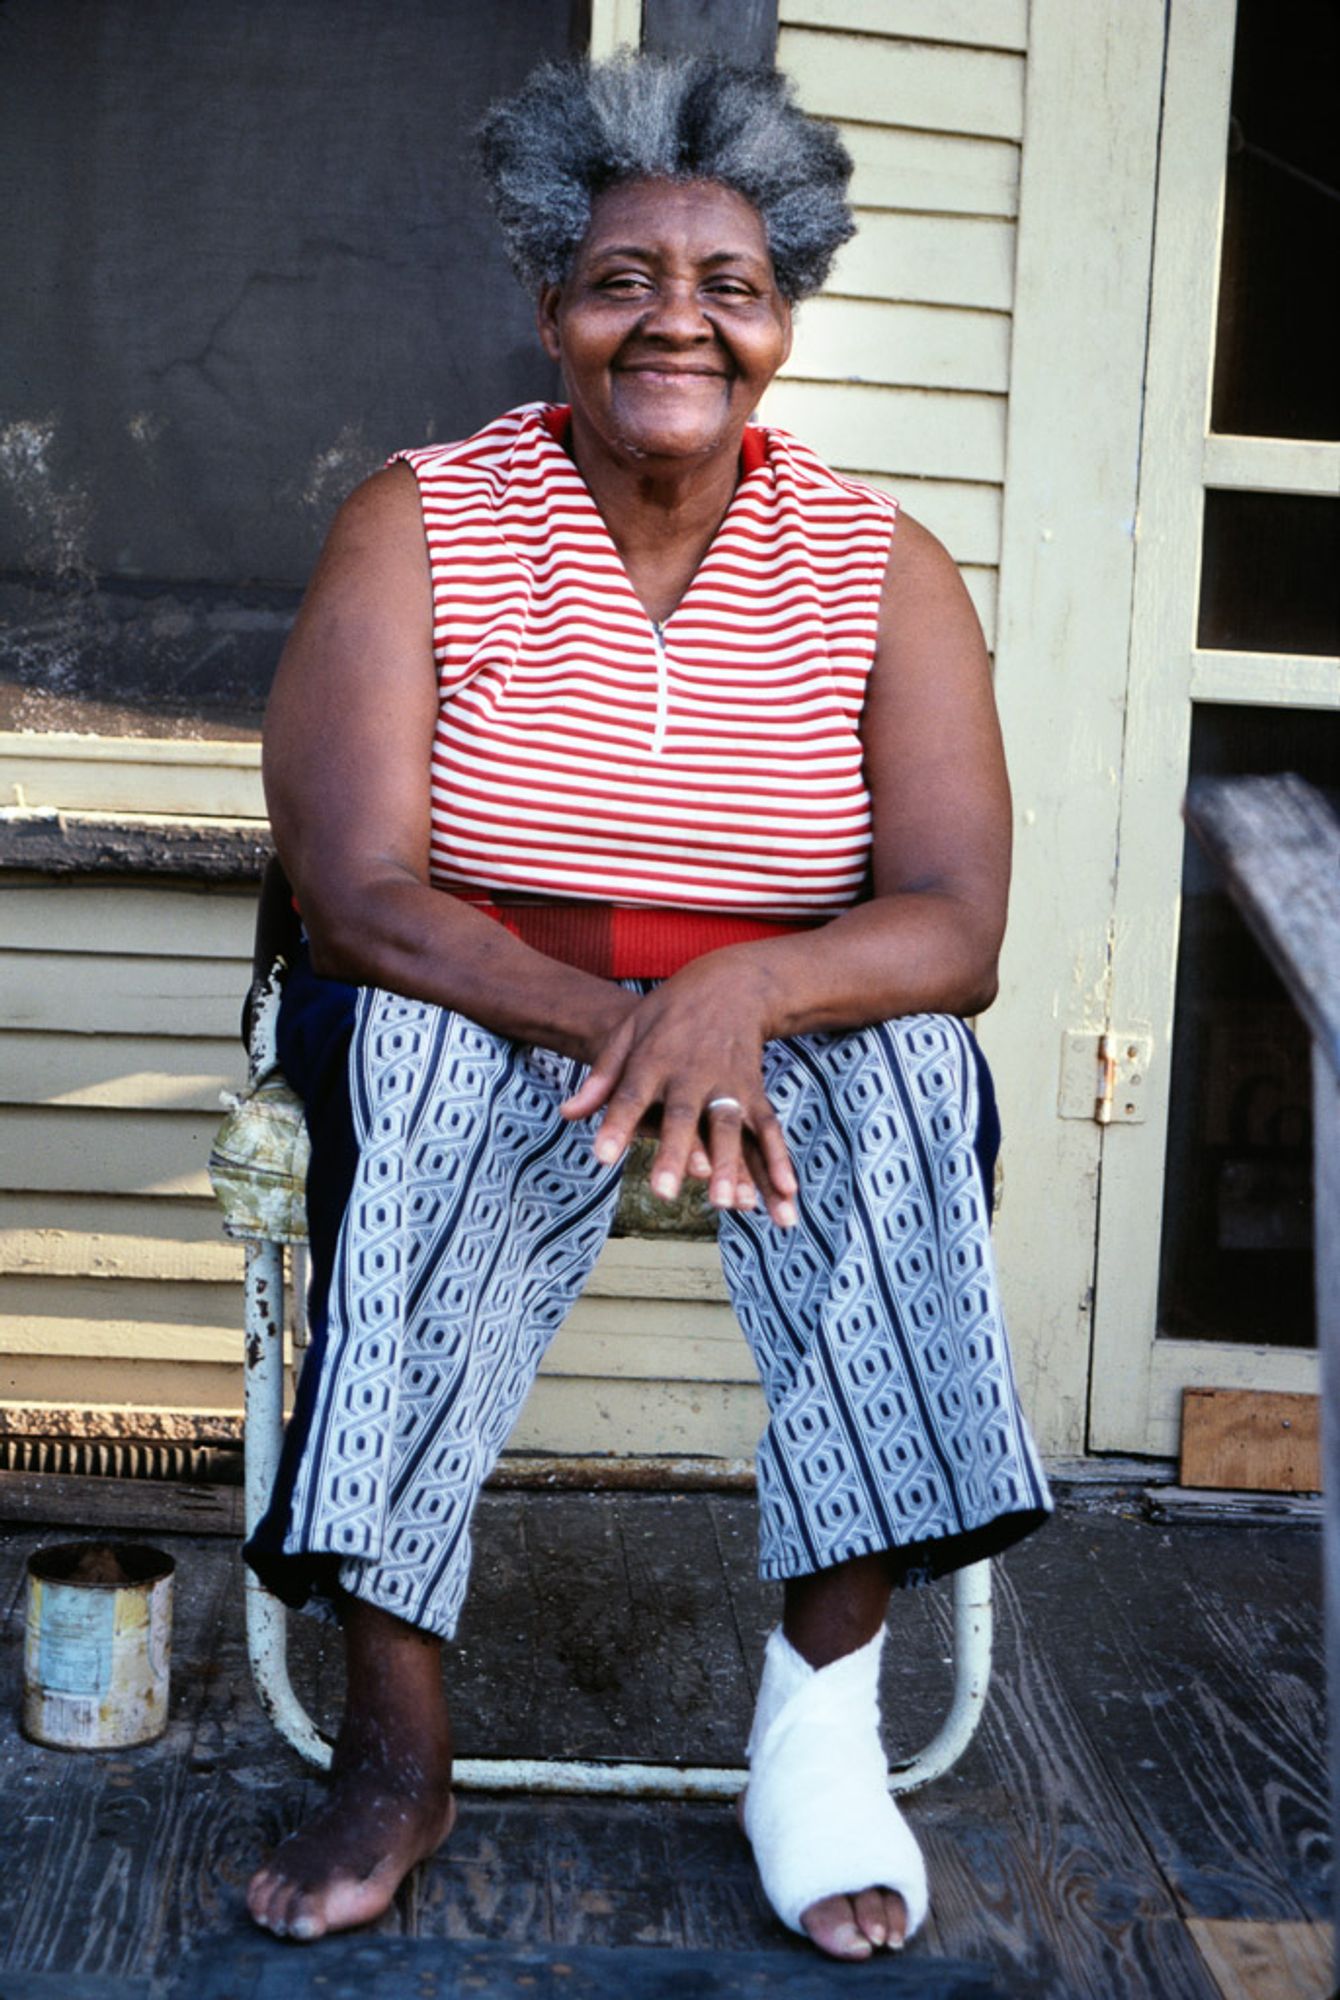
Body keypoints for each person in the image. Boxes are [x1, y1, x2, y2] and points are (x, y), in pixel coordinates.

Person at [243, 51, 1051, 1963]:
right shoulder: (422, 518)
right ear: (550, 309)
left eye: (730, 283)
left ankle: (820, 1728)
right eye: (622, 279)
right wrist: (628, 1023)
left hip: (785, 1021)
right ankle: (396, 1736)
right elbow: (358, 893)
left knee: (920, 1081)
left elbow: (956, 923)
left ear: (784, 322)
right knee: (419, 1101)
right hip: (473, 992)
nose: (673, 317)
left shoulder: (883, 565)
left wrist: (743, 992)